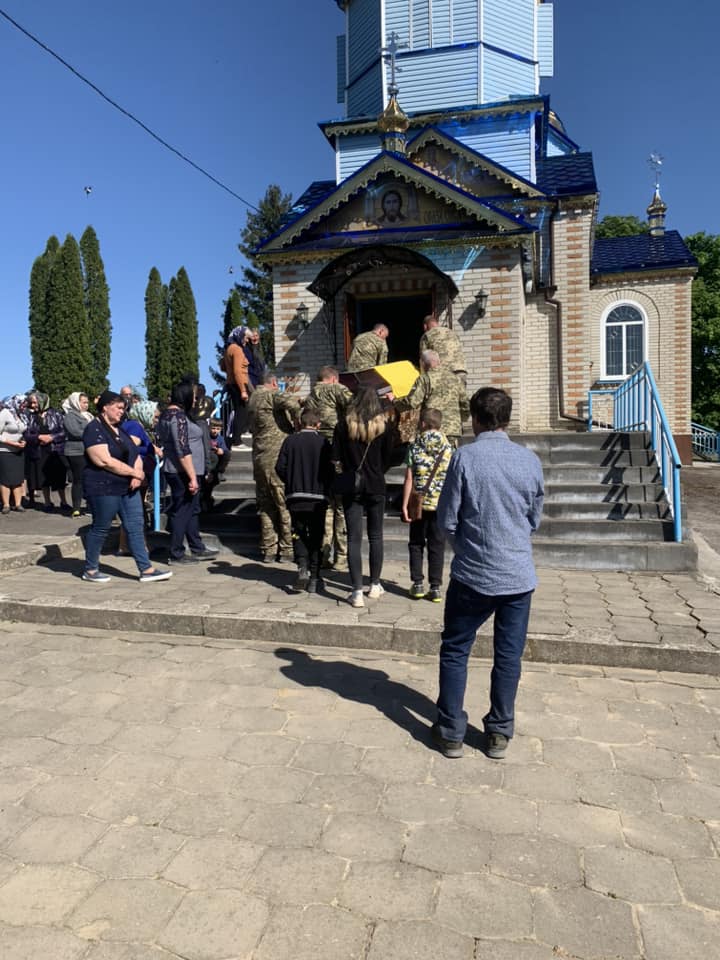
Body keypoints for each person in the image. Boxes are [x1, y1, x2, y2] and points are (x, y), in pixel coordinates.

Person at [433, 387, 544, 760]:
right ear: (507, 419)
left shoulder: (464, 458)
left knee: (455, 649)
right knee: (508, 656)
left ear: (474, 418)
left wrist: (466, 550)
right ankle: (498, 733)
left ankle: (451, 732)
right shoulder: (529, 461)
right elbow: (534, 518)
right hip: (517, 576)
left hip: (472, 574)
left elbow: (446, 520)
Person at [81, 390, 172, 583]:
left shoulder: (121, 429)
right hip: (103, 486)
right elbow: (103, 460)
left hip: (127, 487)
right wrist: (133, 473)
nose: (122, 411)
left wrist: (137, 474)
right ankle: (90, 568)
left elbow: (135, 453)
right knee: (101, 527)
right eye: (118, 407)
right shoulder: (94, 429)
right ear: (105, 407)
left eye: (123, 408)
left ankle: (145, 568)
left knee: (135, 526)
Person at [332, 386, 396, 608]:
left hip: (352, 486)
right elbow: (391, 457)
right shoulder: (385, 427)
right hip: (377, 484)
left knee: (353, 539)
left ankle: (356, 591)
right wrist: (378, 470)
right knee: (376, 536)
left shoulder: (343, 426)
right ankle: (375, 585)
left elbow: (335, 457)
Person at [156, 381, 219, 565]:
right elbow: (181, 448)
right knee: (182, 511)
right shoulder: (178, 418)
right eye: (192, 396)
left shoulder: (169, 415)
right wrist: (192, 476)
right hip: (182, 471)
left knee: (190, 510)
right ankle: (176, 552)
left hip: (181, 469)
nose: (195, 400)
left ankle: (196, 546)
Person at [275, 408, 334, 593]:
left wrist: (292, 481)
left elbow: (279, 467)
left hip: (295, 496)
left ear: (300, 423)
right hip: (317, 498)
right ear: (318, 424)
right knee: (316, 536)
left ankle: (302, 567)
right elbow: (331, 470)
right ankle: (315, 577)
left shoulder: (290, 441)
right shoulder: (324, 442)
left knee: (298, 532)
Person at [303, 365, 353, 571]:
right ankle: (341, 557)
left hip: (318, 453)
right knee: (340, 506)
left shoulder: (310, 394)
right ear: (333, 379)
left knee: (326, 507)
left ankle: (323, 554)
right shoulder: (336, 389)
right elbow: (355, 405)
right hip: (337, 453)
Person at [400, 408, 452, 602]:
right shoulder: (449, 447)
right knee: (437, 545)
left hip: (418, 504)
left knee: (416, 543)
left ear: (423, 424)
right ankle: (436, 587)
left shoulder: (414, 446)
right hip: (441, 505)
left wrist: (405, 505)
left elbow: (409, 478)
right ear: (439, 424)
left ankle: (418, 584)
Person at [247, 371, 300, 563]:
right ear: (274, 383)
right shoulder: (271, 394)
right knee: (283, 505)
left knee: (265, 506)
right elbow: (292, 403)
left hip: (259, 458)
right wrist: (297, 420)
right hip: (276, 458)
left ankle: (268, 549)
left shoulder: (253, 399)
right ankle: (286, 550)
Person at [394, 349, 469, 444]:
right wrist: (461, 419)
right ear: (439, 362)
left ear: (423, 363)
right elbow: (465, 403)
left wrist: (395, 401)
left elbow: (413, 402)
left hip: (431, 428)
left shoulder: (425, 379)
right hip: (452, 430)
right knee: (449, 456)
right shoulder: (455, 378)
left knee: (431, 457)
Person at [23, 391, 69, 511]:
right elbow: (26, 434)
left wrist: (52, 437)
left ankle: (63, 502)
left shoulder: (56, 414)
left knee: (59, 477)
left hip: (54, 450)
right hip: (39, 450)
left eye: (35, 402)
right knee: (43, 479)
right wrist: (38, 437)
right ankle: (47, 502)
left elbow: (64, 431)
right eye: (31, 403)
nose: (33, 405)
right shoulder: (30, 416)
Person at [61, 392, 93, 517]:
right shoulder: (70, 416)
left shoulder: (88, 416)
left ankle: (90, 505)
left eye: (87, 402)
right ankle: (76, 508)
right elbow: (75, 432)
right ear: (75, 402)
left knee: (89, 479)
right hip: (76, 451)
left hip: (88, 450)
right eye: (83, 402)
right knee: (78, 479)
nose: (86, 405)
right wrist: (91, 433)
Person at [419, 315, 468, 385]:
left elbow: (424, 359)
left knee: (444, 395)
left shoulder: (427, 336)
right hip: (461, 371)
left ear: (425, 326)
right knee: (460, 394)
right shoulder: (452, 333)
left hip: (444, 373)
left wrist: (424, 380)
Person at [223, 326, 251, 448]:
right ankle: (237, 439)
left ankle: (238, 435)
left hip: (231, 384)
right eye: (245, 337)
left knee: (240, 411)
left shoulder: (229, 349)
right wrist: (243, 390)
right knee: (242, 412)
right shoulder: (237, 350)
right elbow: (237, 371)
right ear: (239, 336)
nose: (247, 341)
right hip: (239, 384)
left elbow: (222, 367)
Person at [0, 395, 28, 513]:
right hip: (5, 450)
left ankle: (18, 504)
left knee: (17, 478)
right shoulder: (5, 413)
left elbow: (23, 430)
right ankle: (6, 504)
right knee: (6, 478)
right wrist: (11, 443)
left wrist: (23, 441)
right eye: (22, 403)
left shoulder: (21, 414)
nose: (24, 406)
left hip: (18, 451)